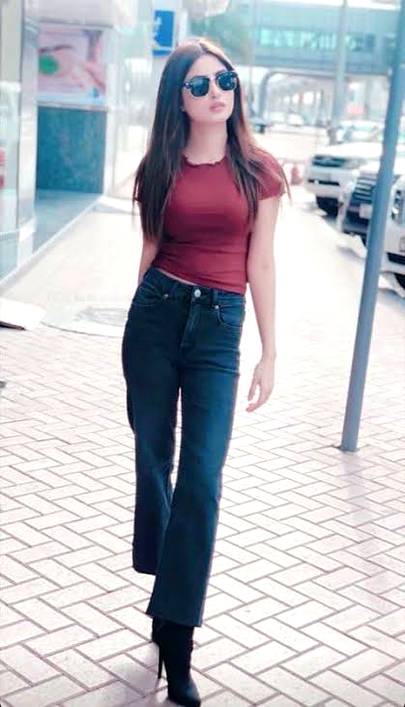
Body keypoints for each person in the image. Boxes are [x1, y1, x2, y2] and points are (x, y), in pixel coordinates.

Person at [121, 37, 289, 707]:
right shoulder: (159, 166)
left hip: (219, 327)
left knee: (202, 478)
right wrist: (132, 331)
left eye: (224, 80)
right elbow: (150, 249)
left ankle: (177, 637)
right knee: (151, 457)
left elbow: (262, 262)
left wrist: (269, 351)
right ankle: (167, 577)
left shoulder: (260, 170)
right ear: (178, 99)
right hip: (156, 317)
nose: (216, 92)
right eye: (199, 84)